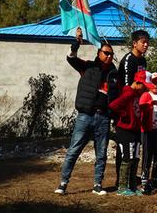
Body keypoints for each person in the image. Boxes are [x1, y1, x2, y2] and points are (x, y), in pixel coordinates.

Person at [54, 29, 117, 196]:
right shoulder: (88, 66)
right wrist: (77, 43)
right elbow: (71, 58)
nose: (109, 56)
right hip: (85, 116)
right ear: (99, 53)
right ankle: (63, 184)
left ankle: (97, 185)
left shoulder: (114, 74)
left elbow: (117, 95)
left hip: (103, 118)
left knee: (101, 154)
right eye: (106, 53)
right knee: (73, 151)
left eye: (111, 54)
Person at [111, 29, 149, 186]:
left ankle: (130, 179)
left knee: (134, 147)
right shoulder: (129, 60)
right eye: (143, 42)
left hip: (137, 106)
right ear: (135, 43)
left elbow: (144, 83)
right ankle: (121, 180)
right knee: (124, 148)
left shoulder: (143, 61)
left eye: (147, 42)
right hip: (125, 106)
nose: (146, 45)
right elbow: (128, 87)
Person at [109, 70, 149, 196]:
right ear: (137, 83)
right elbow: (113, 105)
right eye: (144, 86)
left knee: (135, 158)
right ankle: (121, 186)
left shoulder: (136, 95)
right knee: (127, 158)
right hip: (125, 131)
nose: (145, 89)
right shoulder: (128, 94)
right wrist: (124, 115)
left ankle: (132, 185)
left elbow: (135, 110)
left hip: (135, 130)